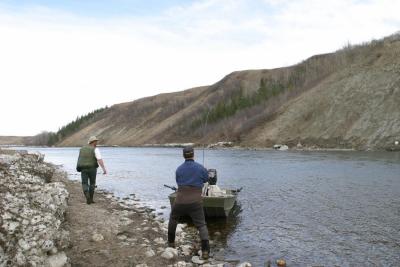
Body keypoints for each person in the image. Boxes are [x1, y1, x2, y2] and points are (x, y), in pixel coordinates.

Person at [168, 146, 210, 259]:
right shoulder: (200, 168)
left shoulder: (178, 169)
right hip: (195, 202)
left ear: (183, 155)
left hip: (180, 200)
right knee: (201, 225)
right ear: (193, 154)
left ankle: (171, 243)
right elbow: (206, 179)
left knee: (173, 219)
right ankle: (205, 251)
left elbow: (178, 182)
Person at [76, 136, 107, 204]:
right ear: (93, 142)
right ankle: (91, 199)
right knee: (92, 183)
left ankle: (87, 197)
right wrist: (104, 169)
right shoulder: (95, 149)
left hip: (83, 168)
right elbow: (99, 160)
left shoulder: (82, 149)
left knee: (84, 183)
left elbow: (80, 159)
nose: (97, 142)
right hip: (92, 168)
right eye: (96, 141)